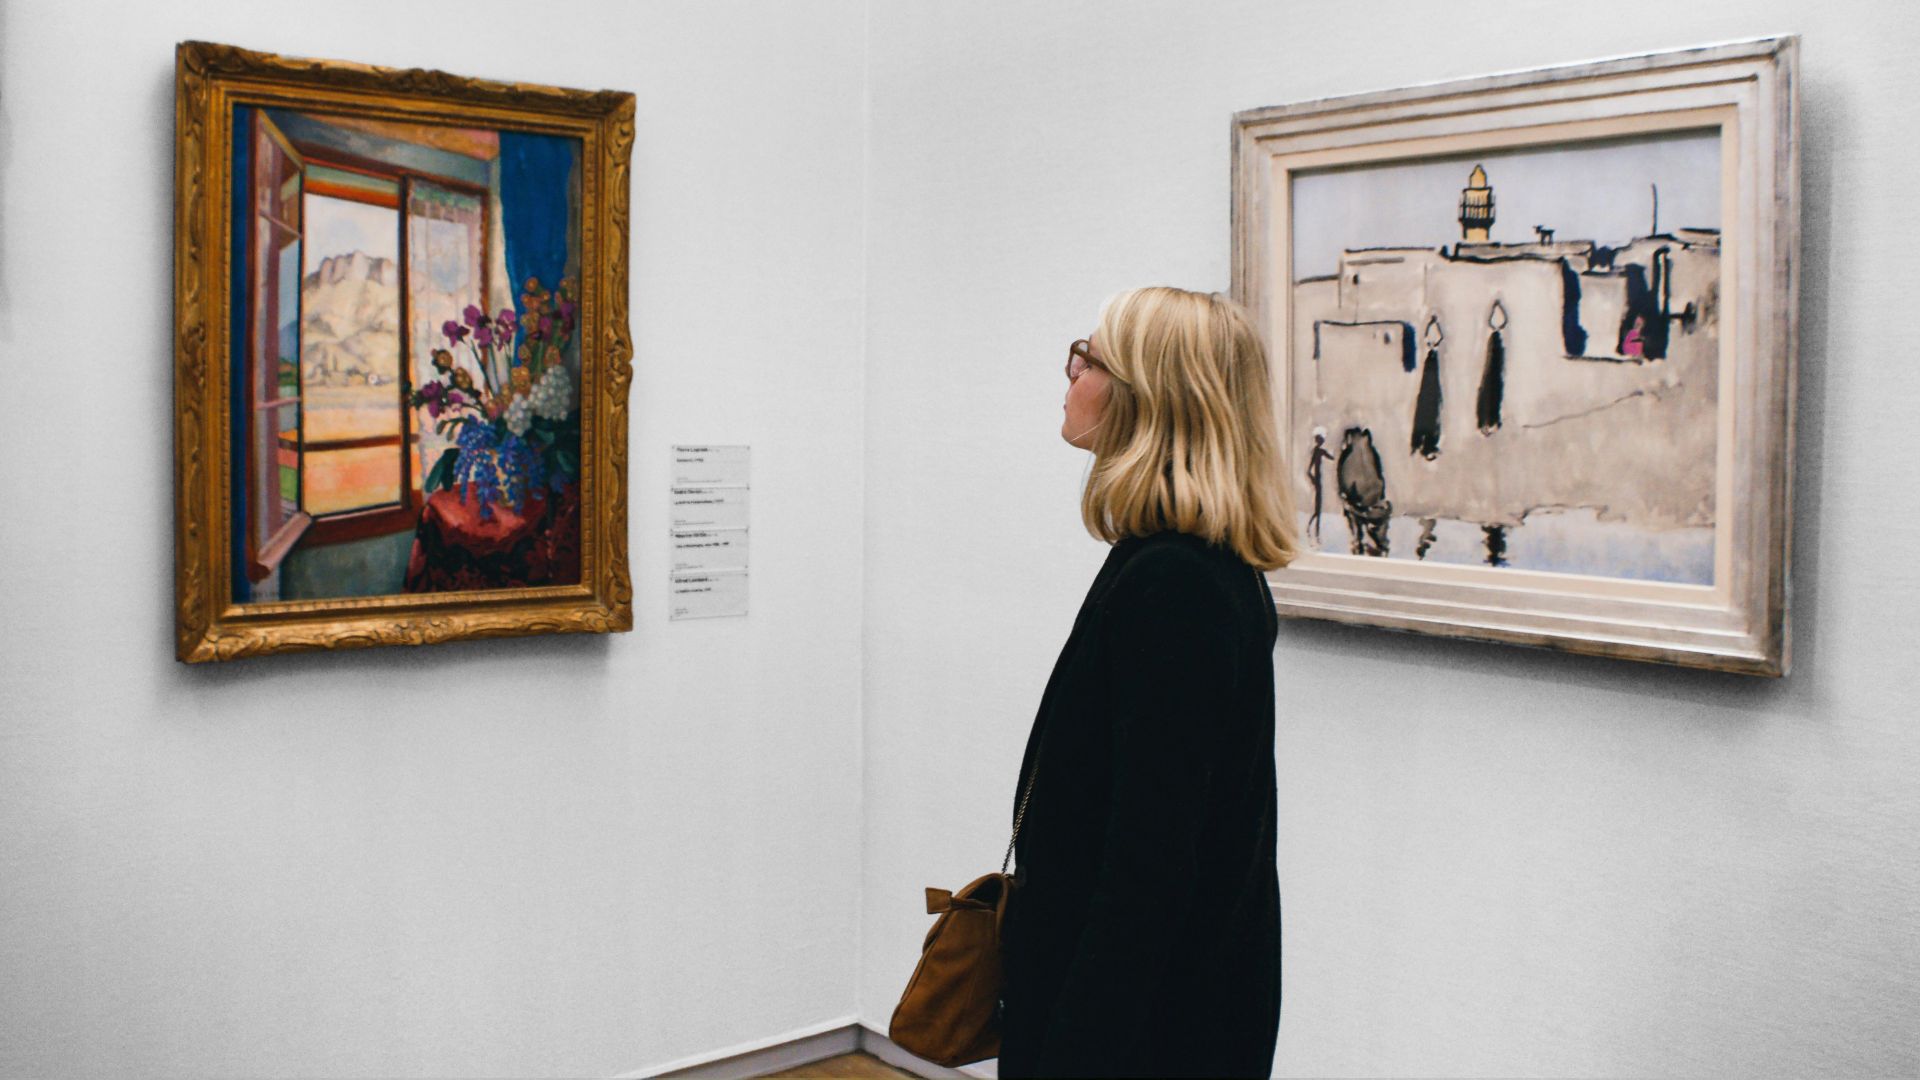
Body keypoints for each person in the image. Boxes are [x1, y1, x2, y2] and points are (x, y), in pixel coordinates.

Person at [998, 287, 1295, 1079]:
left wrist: (1072, 1053)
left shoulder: (1177, 586)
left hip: (1139, 1035)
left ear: (1146, 398)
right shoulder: (1182, 564)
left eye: (1087, 357)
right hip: (1157, 1012)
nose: (1069, 374)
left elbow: (1147, 871)